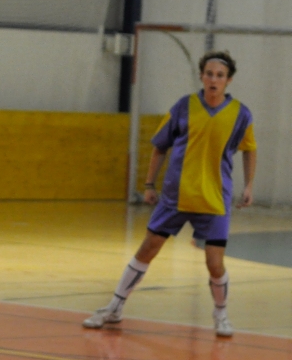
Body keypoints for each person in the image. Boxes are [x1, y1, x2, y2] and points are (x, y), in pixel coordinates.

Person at [83, 50, 256, 337]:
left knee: (214, 263)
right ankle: (114, 307)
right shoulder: (183, 106)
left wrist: (249, 184)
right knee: (147, 250)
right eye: (209, 74)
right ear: (201, 76)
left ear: (229, 80)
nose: (213, 79)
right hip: (176, 196)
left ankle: (221, 314)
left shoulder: (241, 114)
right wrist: (149, 184)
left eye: (220, 75)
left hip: (214, 198)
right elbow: (159, 147)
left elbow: (249, 149)